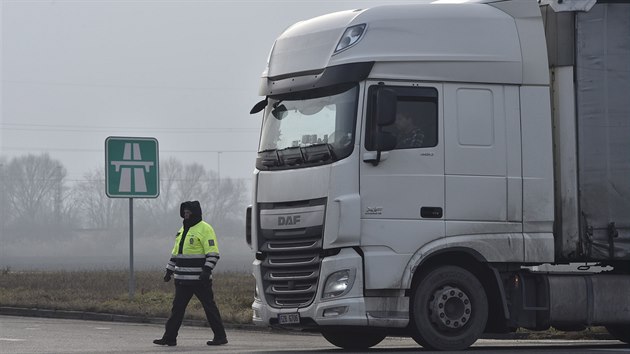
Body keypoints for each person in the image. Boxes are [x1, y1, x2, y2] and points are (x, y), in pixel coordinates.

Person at [153, 200, 228, 347]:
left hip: (200, 280)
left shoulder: (205, 229)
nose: (186, 214)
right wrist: (169, 270)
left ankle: (220, 337)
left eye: (188, 212)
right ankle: (169, 338)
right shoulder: (182, 231)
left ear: (194, 213)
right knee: (177, 309)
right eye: (184, 212)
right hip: (182, 280)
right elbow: (176, 254)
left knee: (209, 308)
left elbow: (213, 253)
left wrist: (206, 271)